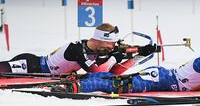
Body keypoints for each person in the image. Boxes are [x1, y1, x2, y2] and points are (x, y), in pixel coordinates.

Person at [52, 29, 200, 94]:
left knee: (115, 79)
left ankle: (80, 79)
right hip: (161, 79)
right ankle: (74, 86)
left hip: (167, 80)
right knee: (118, 85)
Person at [0, 23, 155, 75]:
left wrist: (139, 54)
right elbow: (97, 72)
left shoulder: (98, 50)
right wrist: (116, 56)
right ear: (102, 41)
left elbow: (114, 71)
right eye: (112, 44)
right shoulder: (77, 50)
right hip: (31, 64)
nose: (114, 47)